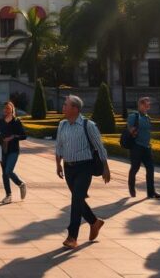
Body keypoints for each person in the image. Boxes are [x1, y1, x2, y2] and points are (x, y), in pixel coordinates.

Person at [54, 95, 110, 249]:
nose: (63, 107)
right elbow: (59, 146)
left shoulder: (88, 125)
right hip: (68, 167)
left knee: (76, 199)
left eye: (66, 105)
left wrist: (106, 167)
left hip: (84, 167)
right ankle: (94, 222)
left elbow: (100, 147)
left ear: (75, 109)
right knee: (78, 199)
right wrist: (58, 164)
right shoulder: (62, 125)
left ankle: (72, 236)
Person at [0, 101, 27, 204]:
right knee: (4, 174)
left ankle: (21, 184)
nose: (6, 110)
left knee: (8, 171)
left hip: (14, 150)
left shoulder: (16, 122)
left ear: (12, 109)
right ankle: (8, 195)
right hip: (3, 150)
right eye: (5, 108)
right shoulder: (0, 122)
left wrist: (14, 136)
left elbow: (24, 135)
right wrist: (1, 136)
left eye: (8, 108)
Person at [126, 97, 160, 200]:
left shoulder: (147, 117)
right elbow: (130, 129)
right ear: (140, 105)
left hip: (147, 147)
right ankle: (131, 187)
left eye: (149, 105)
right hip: (136, 147)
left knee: (150, 169)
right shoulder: (133, 116)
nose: (148, 107)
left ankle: (151, 192)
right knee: (135, 168)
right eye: (146, 105)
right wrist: (133, 131)